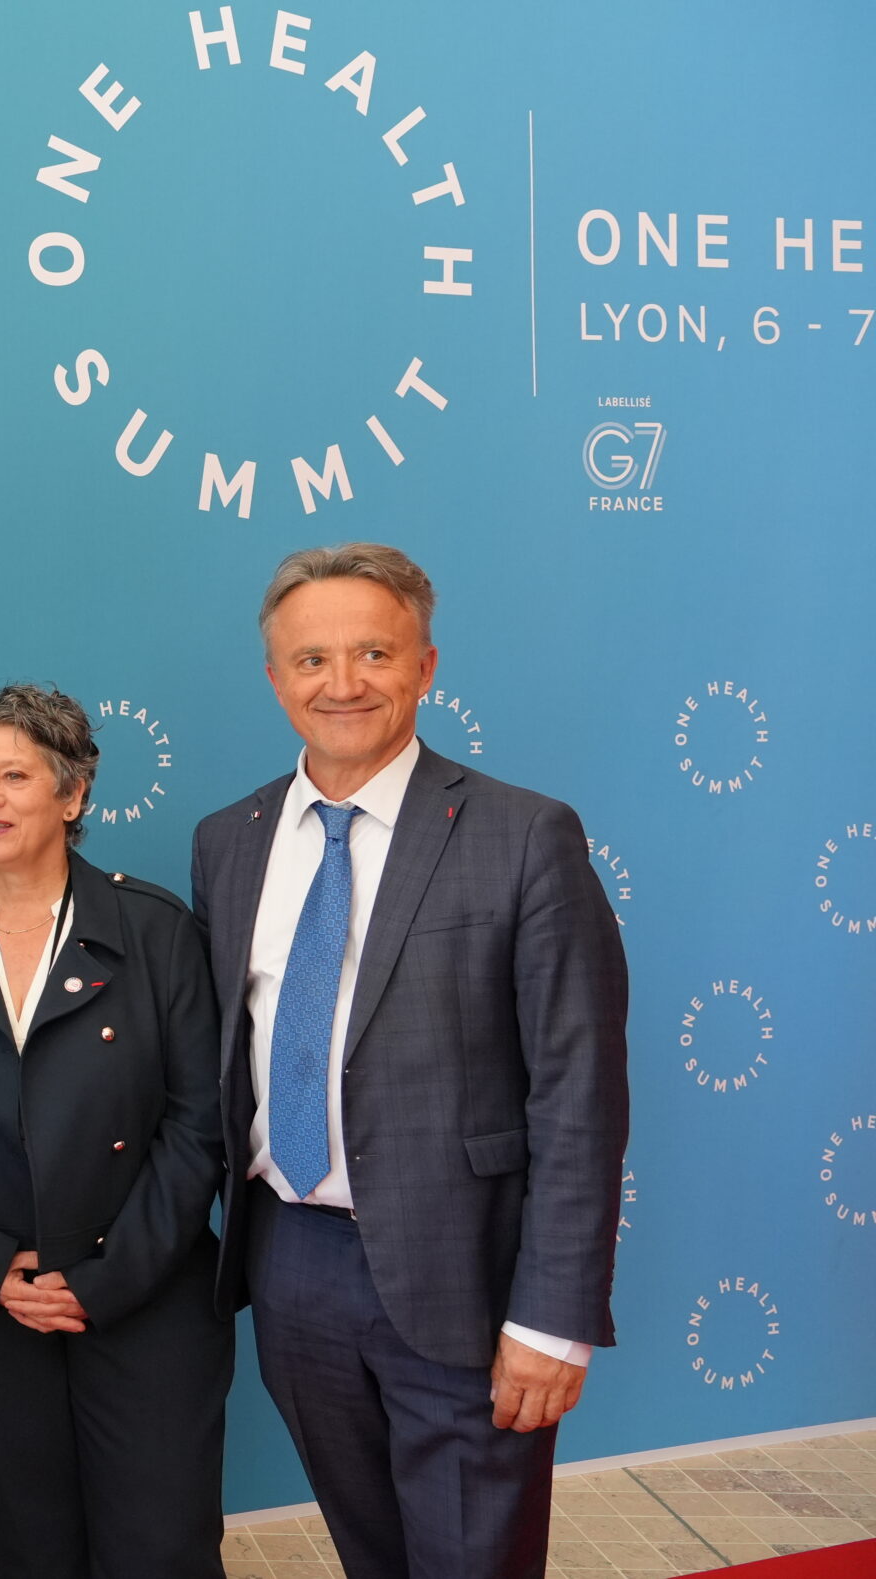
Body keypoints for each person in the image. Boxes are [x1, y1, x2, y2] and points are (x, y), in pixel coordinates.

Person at [192, 544, 631, 1579]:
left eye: (373, 652)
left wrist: (553, 1319)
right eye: (310, 661)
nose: (341, 683)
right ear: (274, 680)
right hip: (289, 1261)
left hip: (465, 1277)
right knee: (371, 1557)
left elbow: (579, 1092)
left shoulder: (524, 836)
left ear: (425, 666)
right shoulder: (228, 842)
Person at [0, 683, 228, 1579]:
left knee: (161, 1546)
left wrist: (105, 1278)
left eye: (15, 775)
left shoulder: (154, 930)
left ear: (73, 794)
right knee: (30, 1550)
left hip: (141, 1291)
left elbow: (196, 1124)